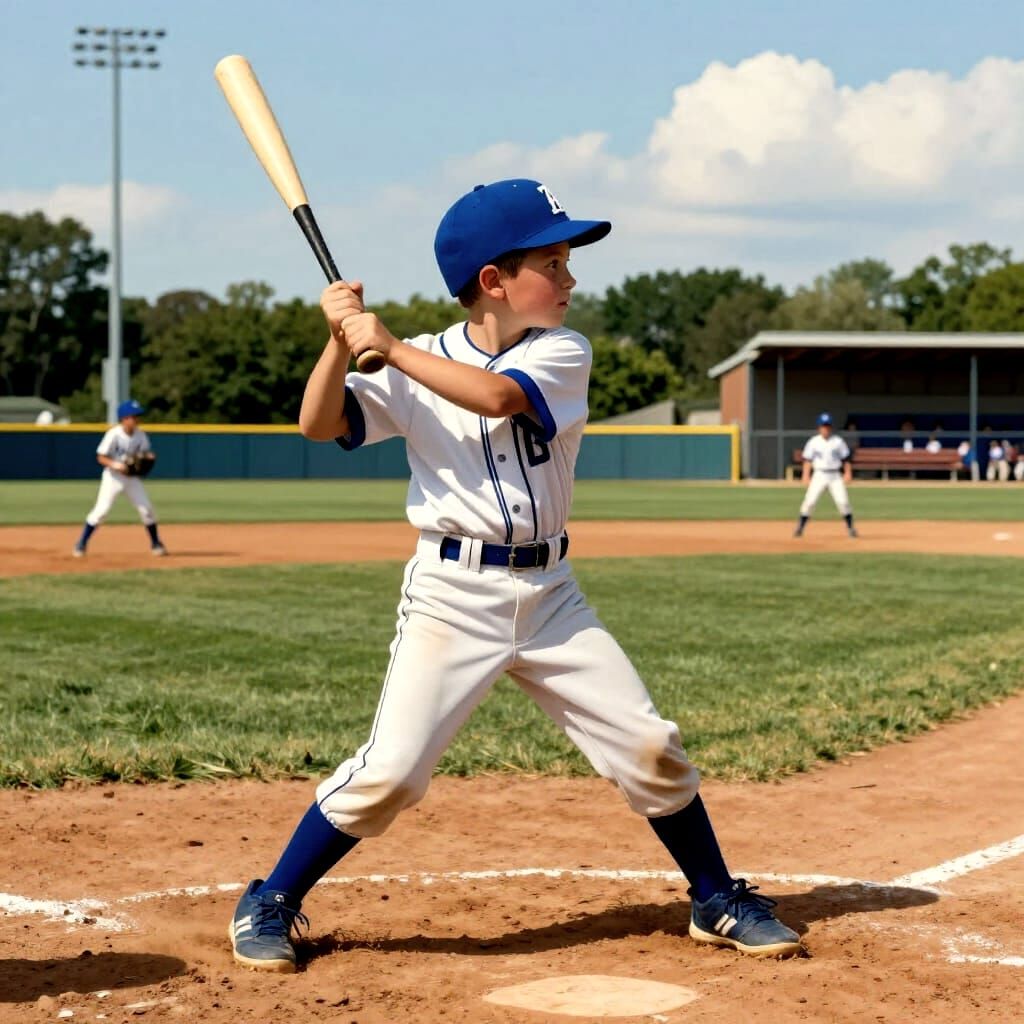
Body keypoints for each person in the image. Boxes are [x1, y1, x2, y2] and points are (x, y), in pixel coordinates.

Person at [227, 179, 801, 973]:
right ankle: (271, 897)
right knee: (391, 773)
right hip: (451, 597)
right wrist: (338, 341)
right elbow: (319, 423)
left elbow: (498, 396)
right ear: (493, 280)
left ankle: (714, 896)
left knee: (648, 745)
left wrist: (388, 344)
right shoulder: (414, 357)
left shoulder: (561, 351)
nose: (570, 279)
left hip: (551, 595)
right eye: (552, 263)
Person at [72, 399, 167, 557]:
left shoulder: (141, 435)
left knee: (146, 510)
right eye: (133, 416)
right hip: (113, 478)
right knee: (101, 511)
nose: (137, 419)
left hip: (132, 479)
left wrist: (148, 457)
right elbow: (101, 457)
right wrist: (116, 465)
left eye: (137, 416)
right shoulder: (114, 434)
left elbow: (145, 454)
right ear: (124, 418)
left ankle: (156, 543)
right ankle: (81, 543)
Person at [794, 413, 857, 538]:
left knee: (843, 502)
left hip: (835, 475)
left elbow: (846, 459)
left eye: (827, 426)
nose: (825, 429)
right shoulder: (813, 442)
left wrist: (848, 473)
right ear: (819, 427)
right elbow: (808, 460)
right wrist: (805, 475)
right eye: (823, 426)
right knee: (810, 501)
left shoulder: (838, 441)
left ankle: (851, 528)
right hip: (819, 475)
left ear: (831, 427)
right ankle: (800, 528)